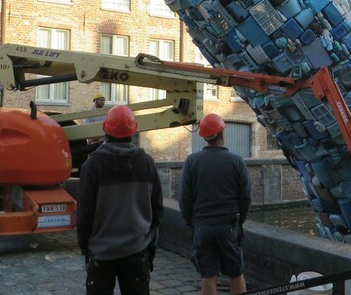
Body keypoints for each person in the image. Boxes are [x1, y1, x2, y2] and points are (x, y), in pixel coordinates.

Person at [77, 105, 162, 295]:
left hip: (102, 253)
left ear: (105, 130)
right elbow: (157, 208)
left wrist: (86, 247)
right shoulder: (146, 163)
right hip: (137, 250)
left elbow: (84, 214)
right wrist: (149, 240)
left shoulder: (92, 165)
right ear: (134, 130)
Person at [179, 113, 252, 295]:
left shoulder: (192, 162)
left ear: (204, 137)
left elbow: (184, 199)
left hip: (202, 226)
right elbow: (246, 198)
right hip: (228, 225)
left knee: (208, 276)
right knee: (236, 274)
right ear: (222, 134)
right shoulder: (236, 161)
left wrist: (193, 222)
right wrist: (239, 220)